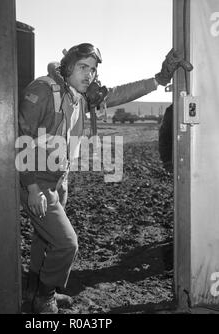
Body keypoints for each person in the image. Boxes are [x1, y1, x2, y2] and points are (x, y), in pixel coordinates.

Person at [18, 43, 192, 313]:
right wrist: (31, 188)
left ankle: (33, 289)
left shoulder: (80, 94)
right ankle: (44, 298)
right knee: (66, 243)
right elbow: (23, 138)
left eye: (93, 69)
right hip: (37, 182)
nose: (88, 74)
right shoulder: (43, 90)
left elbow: (121, 94)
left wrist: (160, 78)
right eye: (82, 67)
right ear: (68, 66)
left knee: (45, 239)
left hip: (58, 179)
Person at [159, 104, 173, 172]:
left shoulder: (173, 109)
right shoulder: (173, 110)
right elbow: (164, 135)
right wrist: (167, 161)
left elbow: (164, 135)